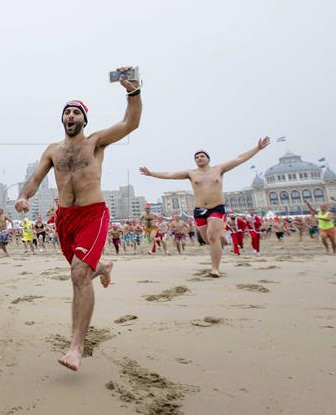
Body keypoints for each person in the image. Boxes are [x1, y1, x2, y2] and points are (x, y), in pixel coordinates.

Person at [15, 66, 141, 371]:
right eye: (67, 112)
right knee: (82, 271)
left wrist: (133, 92)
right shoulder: (53, 150)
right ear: (63, 119)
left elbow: (130, 123)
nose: (71, 116)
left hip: (92, 215)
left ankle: (76, 346)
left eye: (76, 112)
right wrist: (24, 197)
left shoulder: (96, 141)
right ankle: (103, 266)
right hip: (64, 219)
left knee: (78, 275)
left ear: (84, 119)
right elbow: (35, 179)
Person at [140, 138, 270, 276]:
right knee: (209, 240)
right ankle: (221, 240)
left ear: (208, 158)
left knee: (212, 236)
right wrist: (151, 173)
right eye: (196, 157)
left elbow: (239, 159)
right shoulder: (191, 173)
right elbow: (170, 174)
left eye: (202, 156)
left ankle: (215, 269)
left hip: (217, 208)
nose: (199, 158)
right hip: (199, 210)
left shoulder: (219, 169)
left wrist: (257, 148)